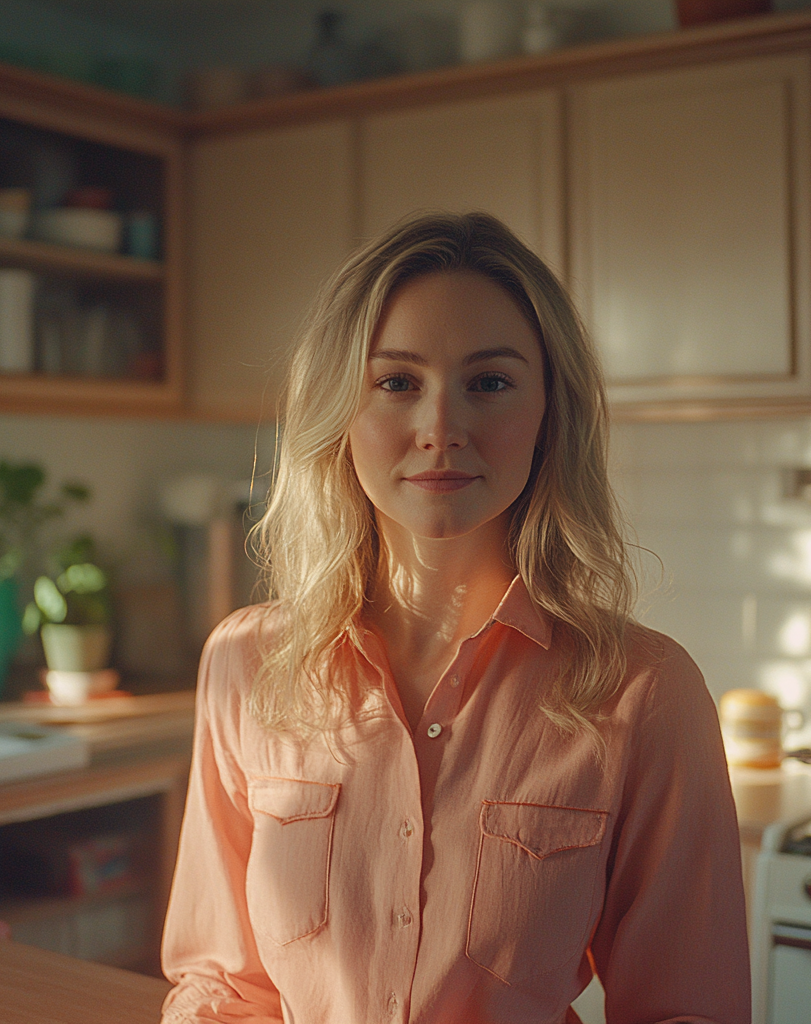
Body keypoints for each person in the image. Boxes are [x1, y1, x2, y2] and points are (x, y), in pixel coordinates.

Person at [160, 212, 750, 1024]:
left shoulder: (644, 691)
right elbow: (224, 985)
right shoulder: (246, 662)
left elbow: (689, 1010)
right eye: (396, 382)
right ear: (340, 410)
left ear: (550, 413)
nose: (441, 428)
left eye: (491, 383)